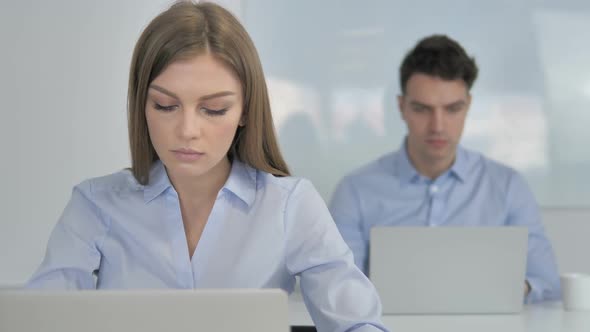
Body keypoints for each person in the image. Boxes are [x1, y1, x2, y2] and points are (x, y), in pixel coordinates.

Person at [27, 2, 387, 331]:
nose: (187, 131)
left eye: (214, 109)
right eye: (165, 106)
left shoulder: (290, 205)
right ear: (141, 104)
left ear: (246, 109)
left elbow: (358, 323)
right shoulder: (95, 204)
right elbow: (37, 321)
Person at [329, 34, 561, 303]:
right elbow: (341, 290)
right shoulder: (355, 191)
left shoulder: (508, 187)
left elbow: (547, 283)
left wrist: (507, 290)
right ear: (402, 107)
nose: (437, 126)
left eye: (452, 109)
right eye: (422, 109)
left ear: (468, 106)